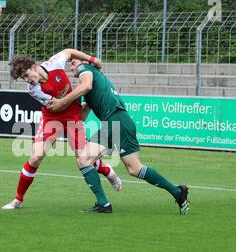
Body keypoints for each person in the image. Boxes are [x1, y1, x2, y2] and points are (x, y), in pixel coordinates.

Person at [47, 53, 190, 215]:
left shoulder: (85, 69)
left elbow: (85, 86)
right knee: (135, 169)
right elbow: (81, 116)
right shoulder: (93, 84)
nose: (71, 67)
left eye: (73, 63)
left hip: (114, 120)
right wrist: (62, 121)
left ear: (84, 63)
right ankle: (178, 193)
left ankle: (103, 204)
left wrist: (61, 102)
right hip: (122, 120)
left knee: (84, 159)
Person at [2, 49, 122, 210]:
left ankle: (107, 171)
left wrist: (92, 59)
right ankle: (18, 199)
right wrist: (78, 95)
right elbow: (58, 106)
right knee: (36, 158)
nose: (27, 80)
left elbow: (69, 51)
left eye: (26, 75)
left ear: (34, 66)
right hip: (51, 118)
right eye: (23, 78)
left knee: (83, 157)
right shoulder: (33, 90)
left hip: (72, 115)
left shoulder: (54, 63)